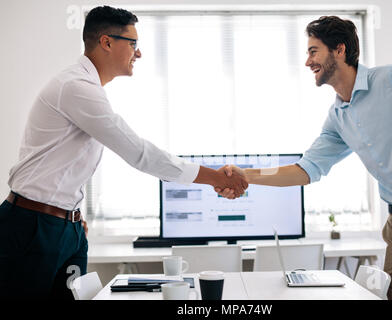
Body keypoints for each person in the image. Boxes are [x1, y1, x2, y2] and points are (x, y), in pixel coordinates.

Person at [0, 5, 247, 300]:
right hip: (33, 225)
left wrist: (71, 213)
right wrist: (213, 177)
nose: (138, 53)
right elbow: (138, 152)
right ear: (106, 42)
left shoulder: (89, 89)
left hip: (66, 227)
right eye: (133, 44)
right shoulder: (76, 87)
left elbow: (65, 166)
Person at [217, 16, 392, 300]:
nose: (307, 62)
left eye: (313, 51)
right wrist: (249, 175)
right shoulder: (338, 117)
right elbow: (305, 169)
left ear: (339, 50)